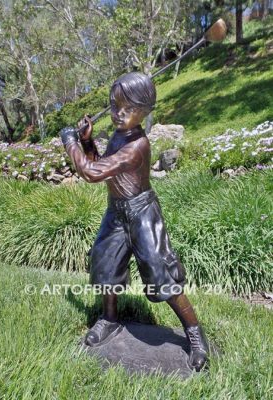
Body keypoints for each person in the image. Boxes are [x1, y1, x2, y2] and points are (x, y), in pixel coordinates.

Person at [60, 72, 209, 372]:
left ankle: (195, 334)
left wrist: (70, 143)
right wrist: (88, 143)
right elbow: (100, 163)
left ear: (144, 111)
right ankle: (110, 319)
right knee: (104, 264)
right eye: (114, 106)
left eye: (127, 109)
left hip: (142, 215)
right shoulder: (119, 135)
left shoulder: (137, 146)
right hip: (116, 212)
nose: (118, 114)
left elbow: (91, 173)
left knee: (160, 274)